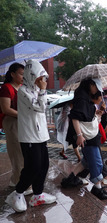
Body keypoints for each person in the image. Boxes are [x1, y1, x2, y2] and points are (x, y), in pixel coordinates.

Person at [5, 60, 56, 212]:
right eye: (39, 77)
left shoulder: (35, 90)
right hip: (29, 136)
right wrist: (43, 91)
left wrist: (41, 91)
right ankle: (17, 193)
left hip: (41, 135)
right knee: (32, 167)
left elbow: (44, 107)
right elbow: (40, 107)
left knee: (44, 165)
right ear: (31, 75)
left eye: (43, 78)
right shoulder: (23, 91)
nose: (42, 81)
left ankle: (38, 195)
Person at [67, 78, 107, 200]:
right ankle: (97, 188)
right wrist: (79, 136)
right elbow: (75, 117)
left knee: (87, 160)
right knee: (96, 160)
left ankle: (72, 179)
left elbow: (85, 115)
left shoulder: (84, 96)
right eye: (96, 87)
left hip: (88, 134)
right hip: (86, 135)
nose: (97, 91)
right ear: (91, 84)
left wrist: (97, 113)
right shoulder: (82, 98)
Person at [0, 63, 27, 188]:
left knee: (23, 152)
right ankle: (19, 182)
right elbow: (6, 109)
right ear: (12, 74)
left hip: (21, 122)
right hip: (11, 122)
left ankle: (15, 179)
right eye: (21, 74)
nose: (23, 76)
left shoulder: (22, 86)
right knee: (17, 152)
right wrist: (23, 115)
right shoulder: (6, 88)